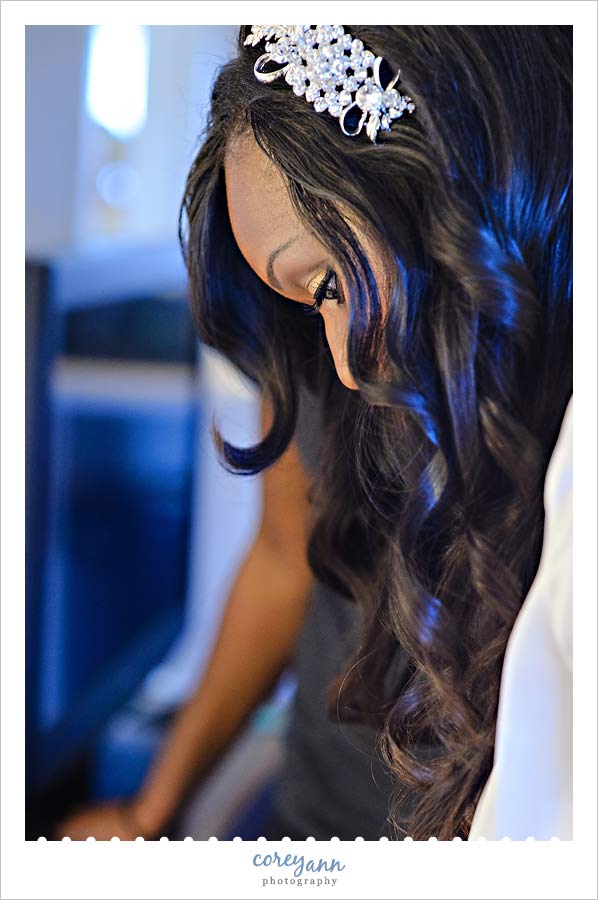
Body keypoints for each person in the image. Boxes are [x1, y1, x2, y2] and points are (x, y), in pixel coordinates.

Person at [58, 25, 572, 840]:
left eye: (328, 284)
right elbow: (279, 557)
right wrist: (151, 808)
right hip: (317, 817)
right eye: (306, 305)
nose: (339, 369)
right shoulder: (311, 354)